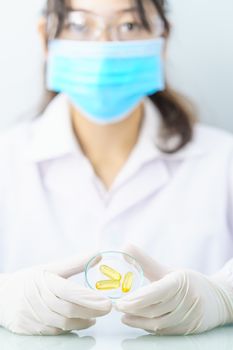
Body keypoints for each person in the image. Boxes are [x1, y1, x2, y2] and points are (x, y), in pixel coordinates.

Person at [0, 0, 233, 337]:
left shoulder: (222, 158)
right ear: (45, 37)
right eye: (80, 25)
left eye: (129, 26)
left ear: (161, 39)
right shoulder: (6, 159)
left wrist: (224, 297)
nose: (105, 47)